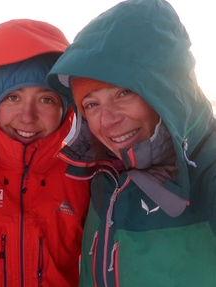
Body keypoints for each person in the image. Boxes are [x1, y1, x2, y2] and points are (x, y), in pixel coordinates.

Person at [46, 0, 216, 286]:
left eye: (124, 93)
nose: (107, 119)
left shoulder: (208, 178)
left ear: (168, 90)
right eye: (91, 103)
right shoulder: (102, 177)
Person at [0, 19, 90, 287]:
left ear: (66, 109)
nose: (27, 117)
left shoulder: (84, 178)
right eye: (12, 97)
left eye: (46, 99)